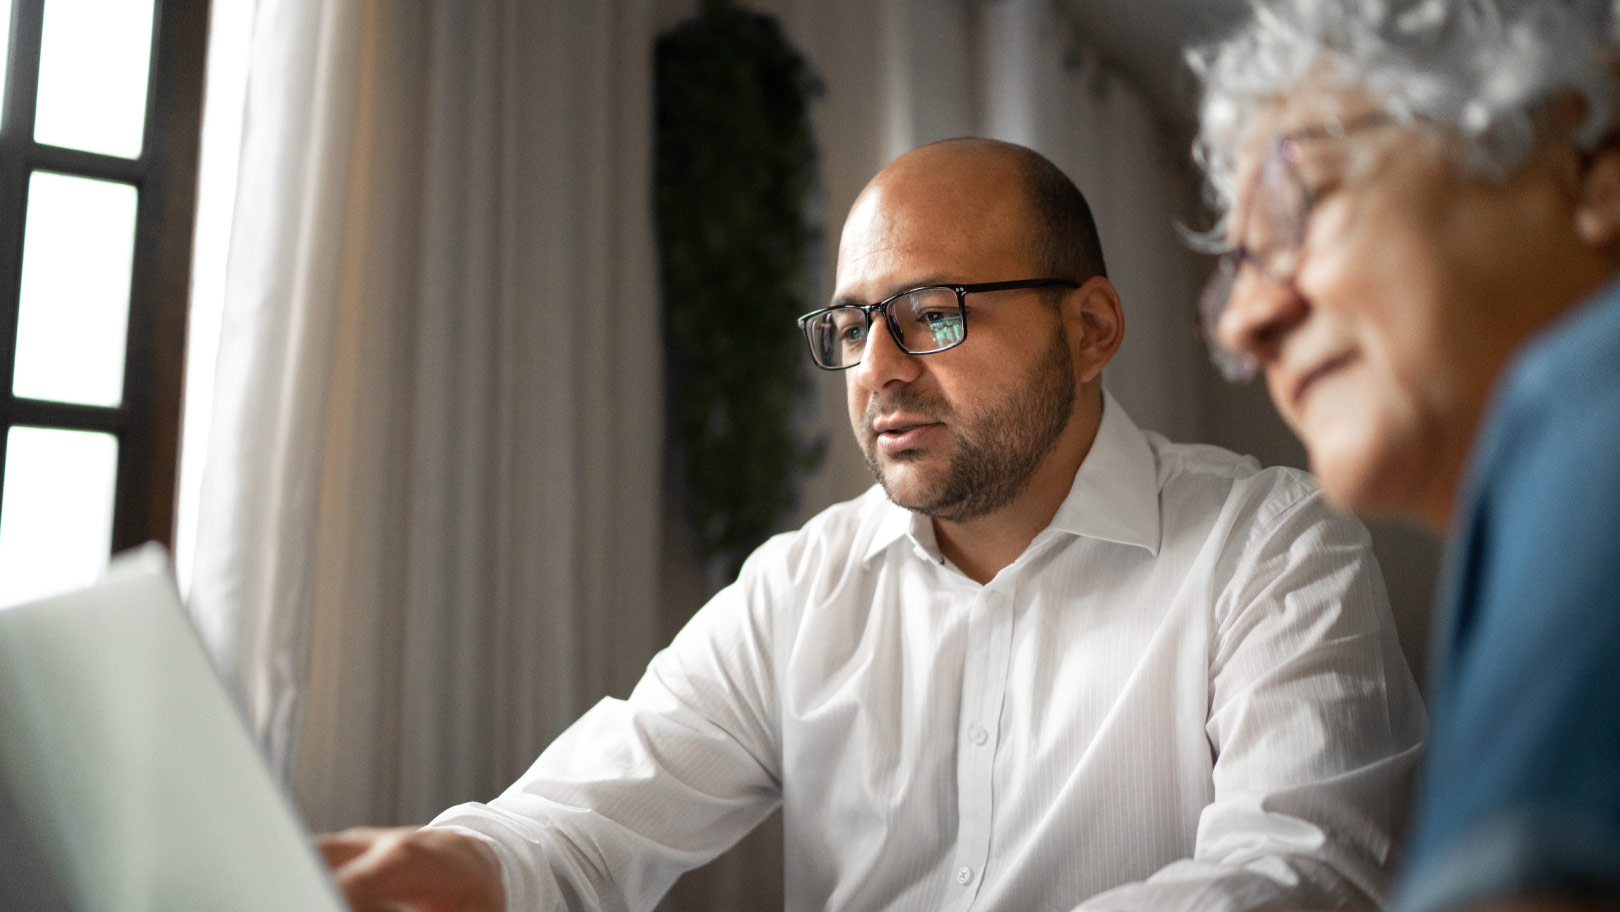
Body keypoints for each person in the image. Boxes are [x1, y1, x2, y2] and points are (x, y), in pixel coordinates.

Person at [320, 138, 1425, 912]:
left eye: (931, 315)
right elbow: (587, 826)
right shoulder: (803, 589)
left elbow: (1306, 877)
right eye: (852, 326)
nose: (879, 371)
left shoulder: (1274, 549)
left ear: (1090, 329)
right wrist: (461, 863)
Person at [1189, 2, 1620, 911]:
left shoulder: (1592, 393)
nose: (1244, 323)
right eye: (1238, 269)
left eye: (1297, 209)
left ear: (1593, 169)